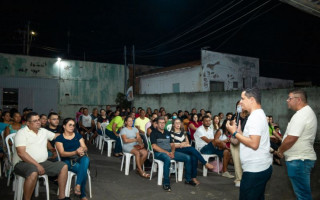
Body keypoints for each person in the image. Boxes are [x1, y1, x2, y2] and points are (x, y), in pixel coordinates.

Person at [226, 88, 272, 200]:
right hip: (260, 167)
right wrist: (241, 133)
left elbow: (254, 144)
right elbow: (253, 138)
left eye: (242, 98)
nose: (240, 102)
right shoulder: (258, 114)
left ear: (251, 100)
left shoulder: (255, 117)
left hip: (254, 171)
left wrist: (235, 132)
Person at [13, 112, 69, 200]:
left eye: (39, 120)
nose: (38, 122)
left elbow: (56, 136)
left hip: (42, 162)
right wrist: (37, 165)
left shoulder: (43, 131)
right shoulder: (21, 133)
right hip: (22, 163)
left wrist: (70, 133)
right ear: (28, 123)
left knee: (64, 166)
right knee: (33, 171)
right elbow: (21, 154)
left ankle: (62, 197)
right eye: (35, 121)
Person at [275, 89, 317, 200]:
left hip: (299, 161)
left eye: (289, 98)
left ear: (298, 100)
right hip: (301, 160)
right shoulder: (305, 113)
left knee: (303, 196)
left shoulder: (302, 115)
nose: (287, 100)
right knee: (303, 194)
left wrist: (280, 151)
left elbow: (291, 139)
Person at [150, 117, 197, 192]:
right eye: (160, 123)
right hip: (159, 153)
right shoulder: (153, 133)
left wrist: (172, 152)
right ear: (157, 124)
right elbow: (154, 146)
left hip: (169, 152)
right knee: (167, 158)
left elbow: (172, 144)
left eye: (163, 123)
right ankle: (166, 183)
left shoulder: (167, 132)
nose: (162, 124)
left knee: (188, 158)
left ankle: (188, 179)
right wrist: (167, 153)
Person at [170, 118, 213, 185]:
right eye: (176, 123)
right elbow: (172, 145)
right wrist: (181, 144)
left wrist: (182, 144)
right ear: (173, 125)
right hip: (176, 150)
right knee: (192, 149)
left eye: (179, 123)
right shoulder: (171, 133)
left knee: (194, 156)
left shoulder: (183, 132)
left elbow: (187, 142)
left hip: (184, 148)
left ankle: (192, 178)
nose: (178, 124)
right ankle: (205, 163)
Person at [56, 118, 89, 200]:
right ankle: (82, 195)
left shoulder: (77, 135)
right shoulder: (59, 138)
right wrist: (75, 152)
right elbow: (62, 153)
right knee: (83, 170)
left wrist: (82, 150)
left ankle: (78, 185)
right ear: (64, 126)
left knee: (86, 159)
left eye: (73, 125)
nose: (72, 127)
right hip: (66, 160)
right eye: (69, 125)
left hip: (78, 157)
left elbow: (85, 147)